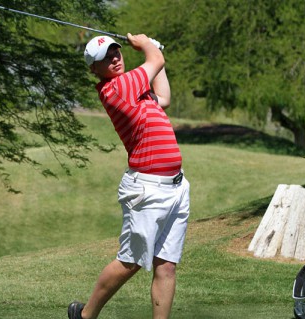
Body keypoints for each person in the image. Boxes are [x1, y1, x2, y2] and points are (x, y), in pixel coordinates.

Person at [67, 34, 190, 319]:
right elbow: (155, 61)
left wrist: (155, 50)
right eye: (104, 58)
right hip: (147, 189)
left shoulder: (137, 91)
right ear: (94, 70)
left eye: (115, 51)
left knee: (166, 265)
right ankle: (86, 315)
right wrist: (146, 43)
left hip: (175, 187)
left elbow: (165, 98)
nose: (114, 58)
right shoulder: (117, 88)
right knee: (131, 261)